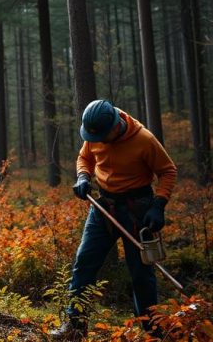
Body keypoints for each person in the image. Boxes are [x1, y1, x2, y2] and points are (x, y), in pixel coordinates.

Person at [49, 99, 178, 340]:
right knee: (85, 261)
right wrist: (83, 177)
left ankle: (151, 332)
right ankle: (75, 326)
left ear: (115, 126)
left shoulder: (144, 140)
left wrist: (159, 205)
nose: (96, 141)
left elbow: (168, 171)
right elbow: (84, 157)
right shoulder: (95, 133)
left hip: (138, 209)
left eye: (101, 137)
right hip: (103, 207)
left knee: (141, 273)